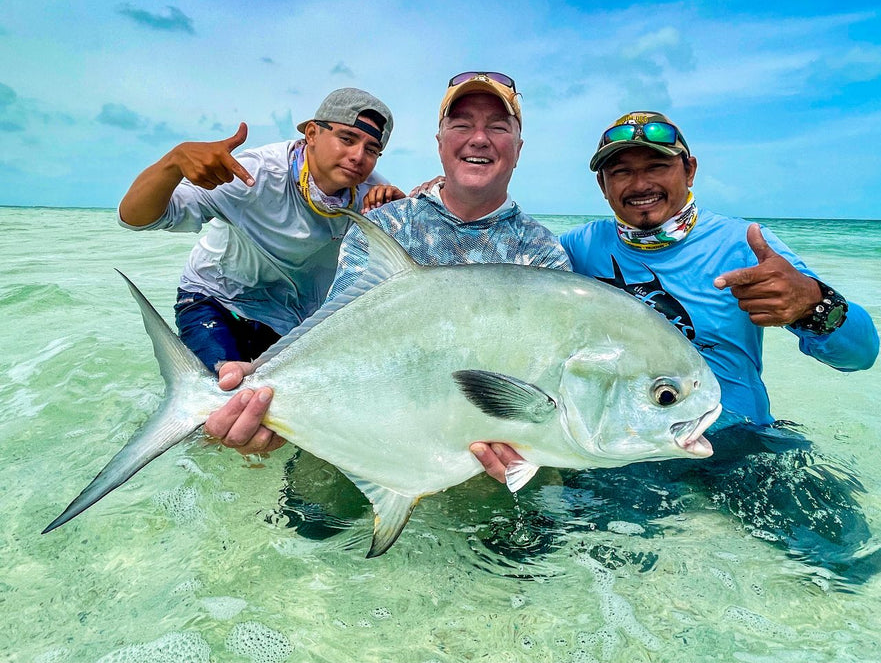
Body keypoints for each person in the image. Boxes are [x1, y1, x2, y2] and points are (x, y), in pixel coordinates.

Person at [480, 111, 881, 584]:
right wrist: (421, 199)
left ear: (689, 170)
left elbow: (863, 356)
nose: (640, 184)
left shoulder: (743, 244)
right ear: (603, 185)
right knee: (527, 563)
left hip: (736, 437)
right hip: (628, 445)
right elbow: (495, 280)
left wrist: (814, 305)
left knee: (846, 559)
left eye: (656, 166)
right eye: (621, 171)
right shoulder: (576, 249)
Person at [205, 71, 571, 456]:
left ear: (519, 146)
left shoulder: (543, 254)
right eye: (462, 124)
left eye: (498, 127)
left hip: (484, 454)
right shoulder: (384, 226)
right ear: (440, 142)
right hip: (366, 440)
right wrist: (267, 379)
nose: (479, 138)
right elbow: (340, 334)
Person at [119, 88, 401, 372]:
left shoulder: (372, 197)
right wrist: (174, 162)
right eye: (347, 139)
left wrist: (398, 216)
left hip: (291, 318)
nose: (357, 156)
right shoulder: (255, 174)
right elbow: (135, 218)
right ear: (312, 134)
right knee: (224, 398)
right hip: (216, 299)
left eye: (371, 150)